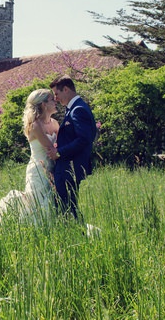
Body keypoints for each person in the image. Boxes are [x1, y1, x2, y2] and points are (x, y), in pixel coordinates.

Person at [0, 89, 59, 224]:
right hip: (39, 171)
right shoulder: (36, 125)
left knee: (53, 203)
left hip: (54, 168)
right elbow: (51, 149)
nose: (56, 102)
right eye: (52, 100)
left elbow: (59, 147)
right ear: (43, 104)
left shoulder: (55, 123)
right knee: (38, 203)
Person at [47, 76, 96, 221]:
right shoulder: (73, 109)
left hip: (70, 168)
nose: (56, 98)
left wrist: (59, 152)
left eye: (56, 94)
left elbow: (84, 139)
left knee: (67, 209)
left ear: (66, 89)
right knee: (67, 208)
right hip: (68, 168)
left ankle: (76, 237)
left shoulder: (78, 109)